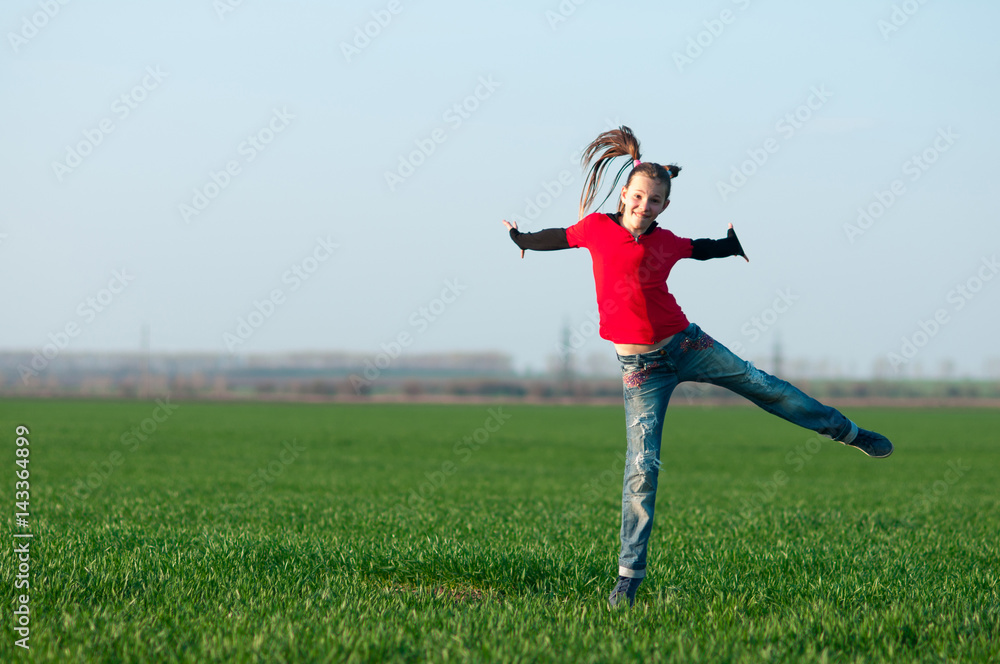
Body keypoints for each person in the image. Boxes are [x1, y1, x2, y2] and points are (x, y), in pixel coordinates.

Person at [501, 126, 893, 609]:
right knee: (642, 467)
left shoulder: (665, 241)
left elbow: (701, 248)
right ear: (625, 194)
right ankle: (629, 575)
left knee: (764, 386)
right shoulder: (596, 230)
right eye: (640, 197)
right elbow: (556, 237)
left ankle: (848, 432)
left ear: (663, 206)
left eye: (656, 201)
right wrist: (520, 237)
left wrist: (732, 245)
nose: (645, 206)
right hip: (641, 369)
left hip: (689, 344)